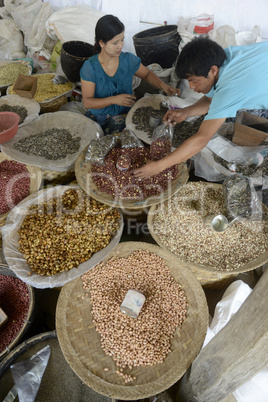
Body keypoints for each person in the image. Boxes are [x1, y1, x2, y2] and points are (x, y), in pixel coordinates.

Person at [133, 36, 268, 178]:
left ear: (213, 71)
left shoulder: (231, 87)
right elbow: (211, 100)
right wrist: (185, 113)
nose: (191, 87)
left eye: (194, 81)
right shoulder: (222, 59)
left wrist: (158, 166)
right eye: (189, 81)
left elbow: (202, 138)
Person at [80, 14, 179, 135]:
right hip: (99, 116)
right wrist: (114, 99)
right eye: (115, 43)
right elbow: (87, 102)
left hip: (125, 114)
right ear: (101, 43)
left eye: (122, 40)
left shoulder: (127, 60)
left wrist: (165, 87)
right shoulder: (90, 67)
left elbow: (147, 74)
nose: (120, 46)